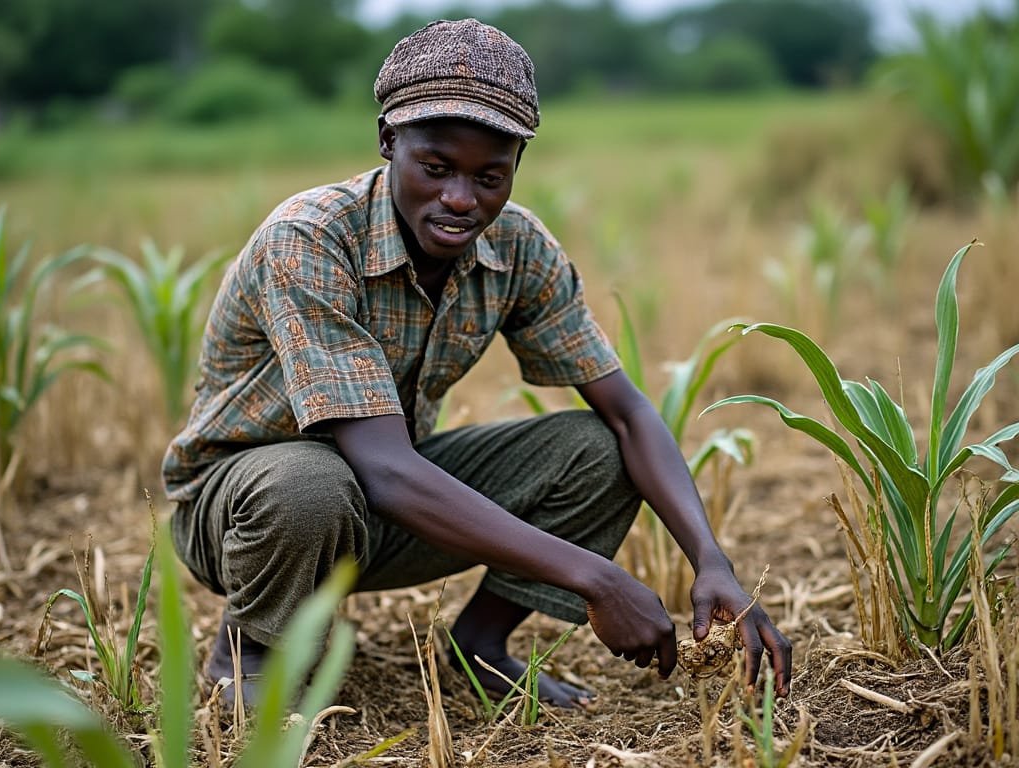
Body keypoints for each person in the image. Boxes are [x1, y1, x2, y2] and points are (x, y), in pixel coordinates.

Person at [162, 17, 792, 708]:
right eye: (435, 168)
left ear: (518, 165)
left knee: (600, 449)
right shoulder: (310, 239)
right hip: (247, 512)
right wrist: (598, 579)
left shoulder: (519, 247)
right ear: (386, 143)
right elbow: (385, 468)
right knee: (312, 482)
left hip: (375, 507)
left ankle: (480, 646)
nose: (461, 200)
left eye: (489, 176)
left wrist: (711, 559)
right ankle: (250, 652)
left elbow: (630, 413)